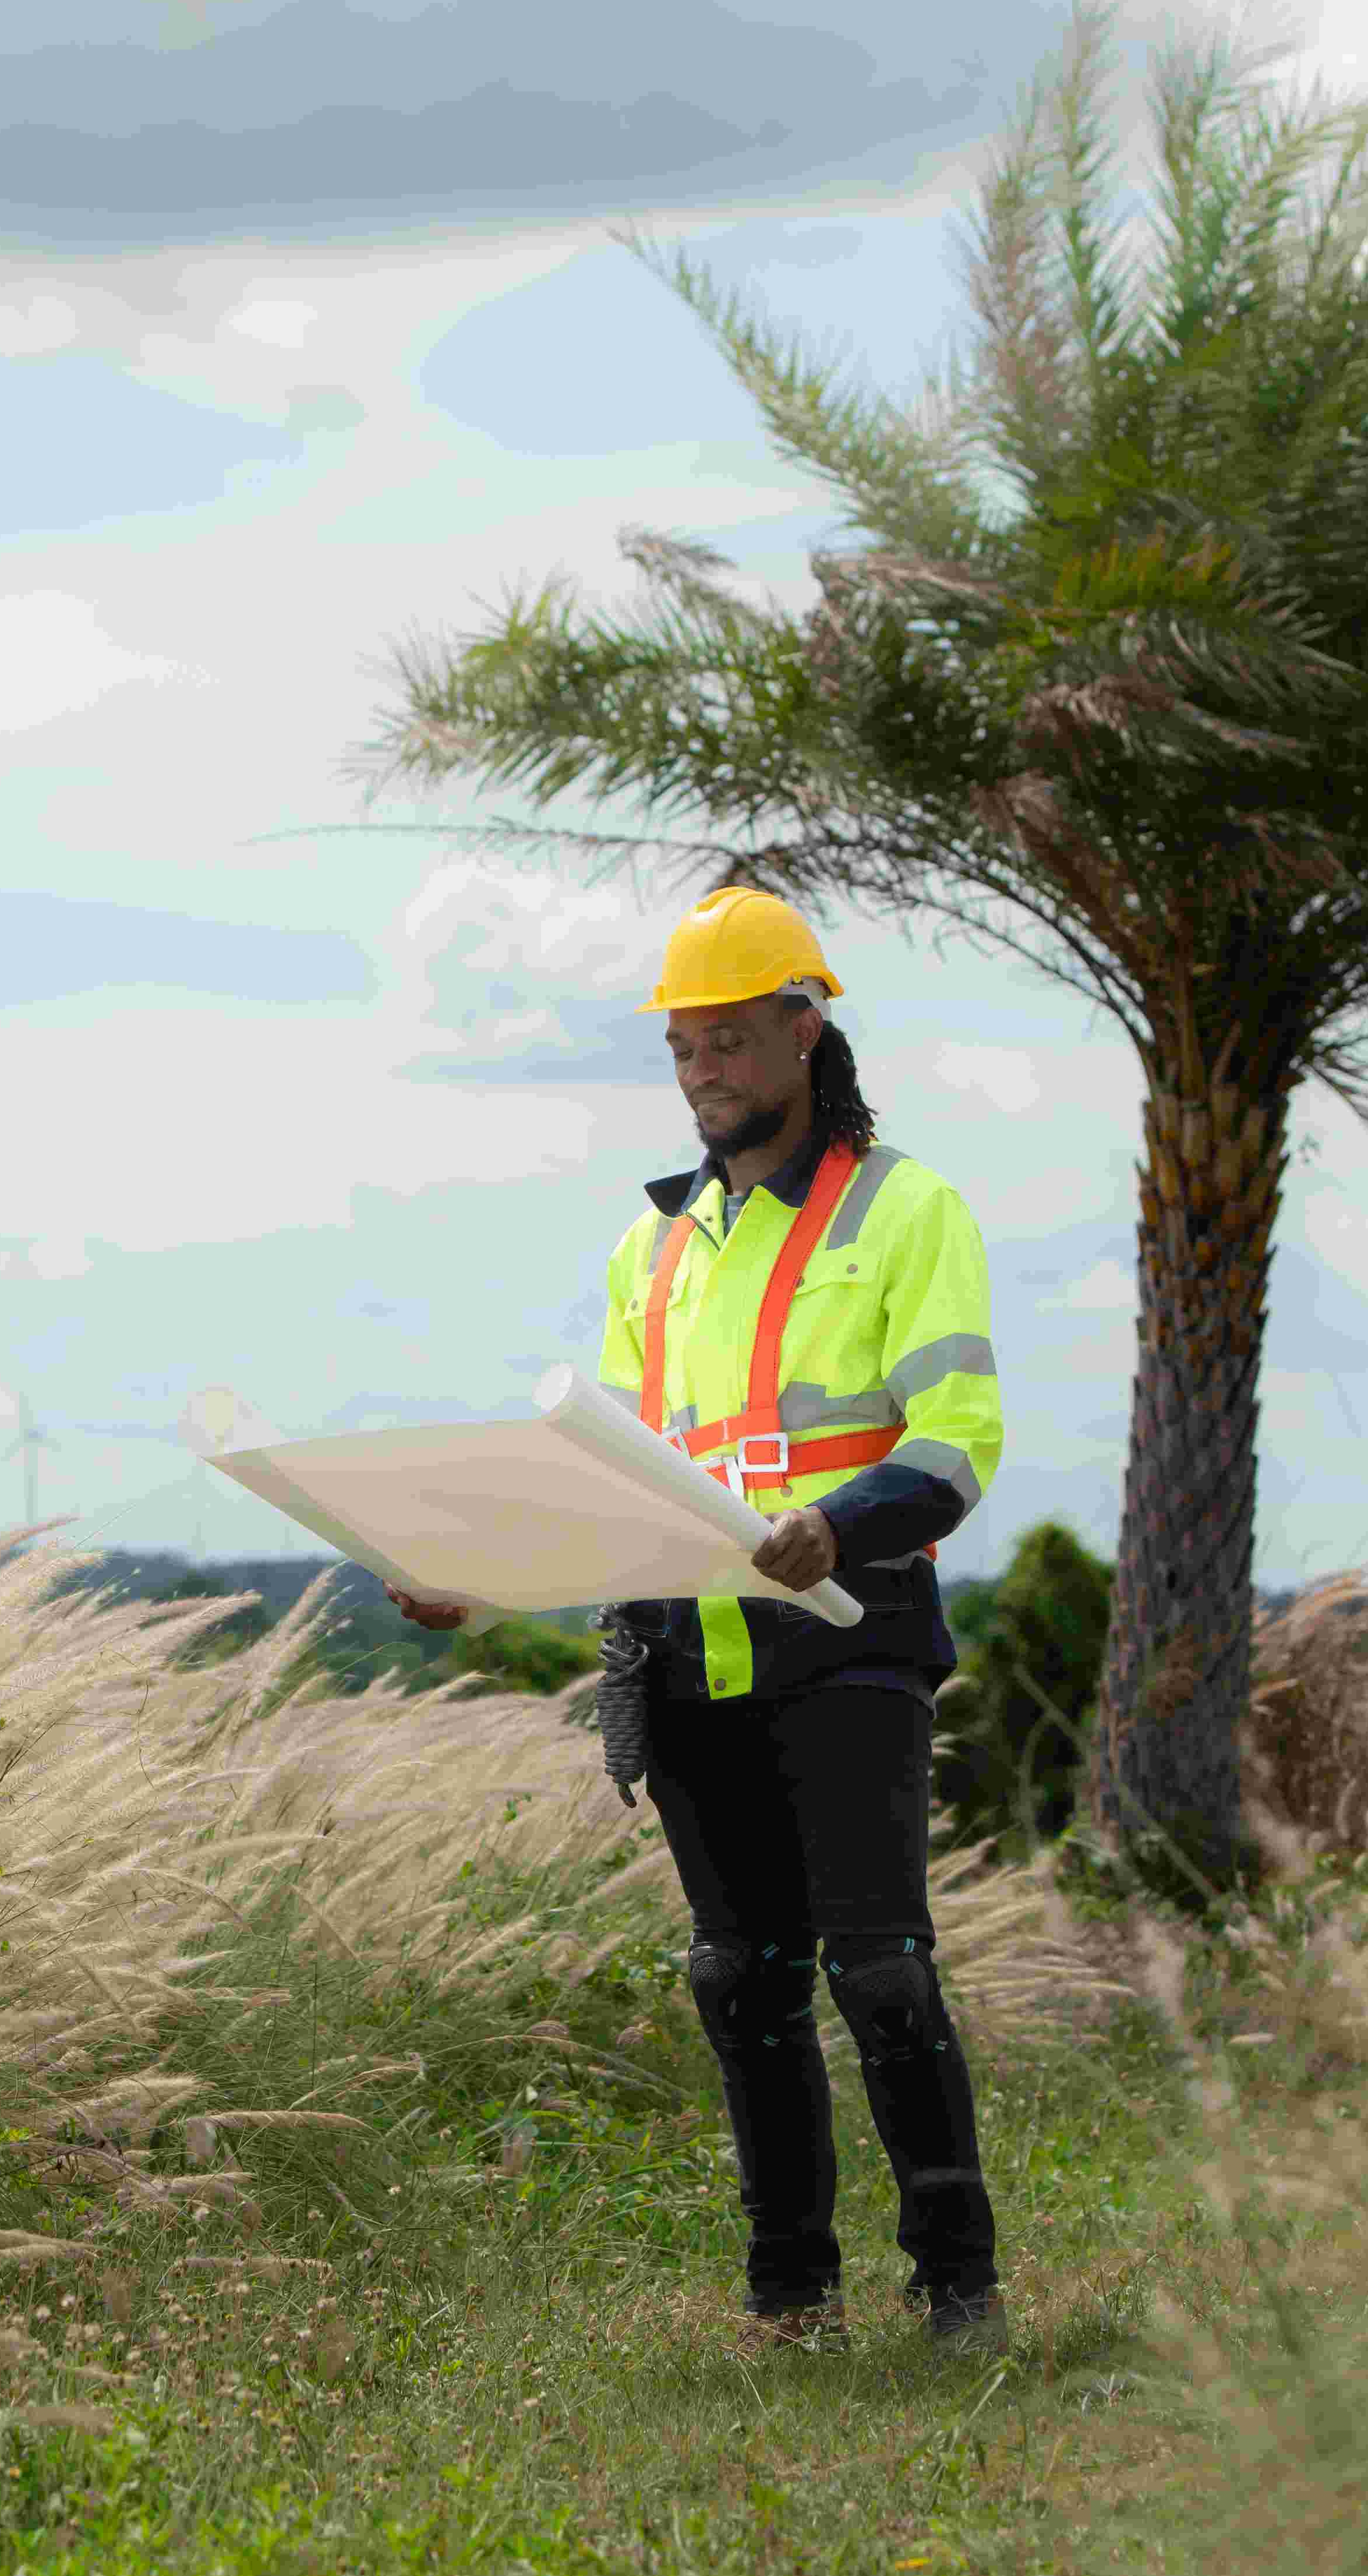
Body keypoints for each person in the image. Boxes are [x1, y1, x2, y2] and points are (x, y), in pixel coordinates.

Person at [393, 886, 1012, 2359]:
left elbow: (962, 1434)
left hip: (849, 1636)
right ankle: (792, 2297)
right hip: (688, 1654)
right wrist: (477, 1576)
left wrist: (837, 1524)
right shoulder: (652, 1251)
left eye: (730, 1040)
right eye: (685, 1047)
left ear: (807, 1030)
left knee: (881, 1969)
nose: (705, 1070)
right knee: (741, 1976)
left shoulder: (908, 1210)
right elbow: (600, 1477)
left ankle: (960, 2288)